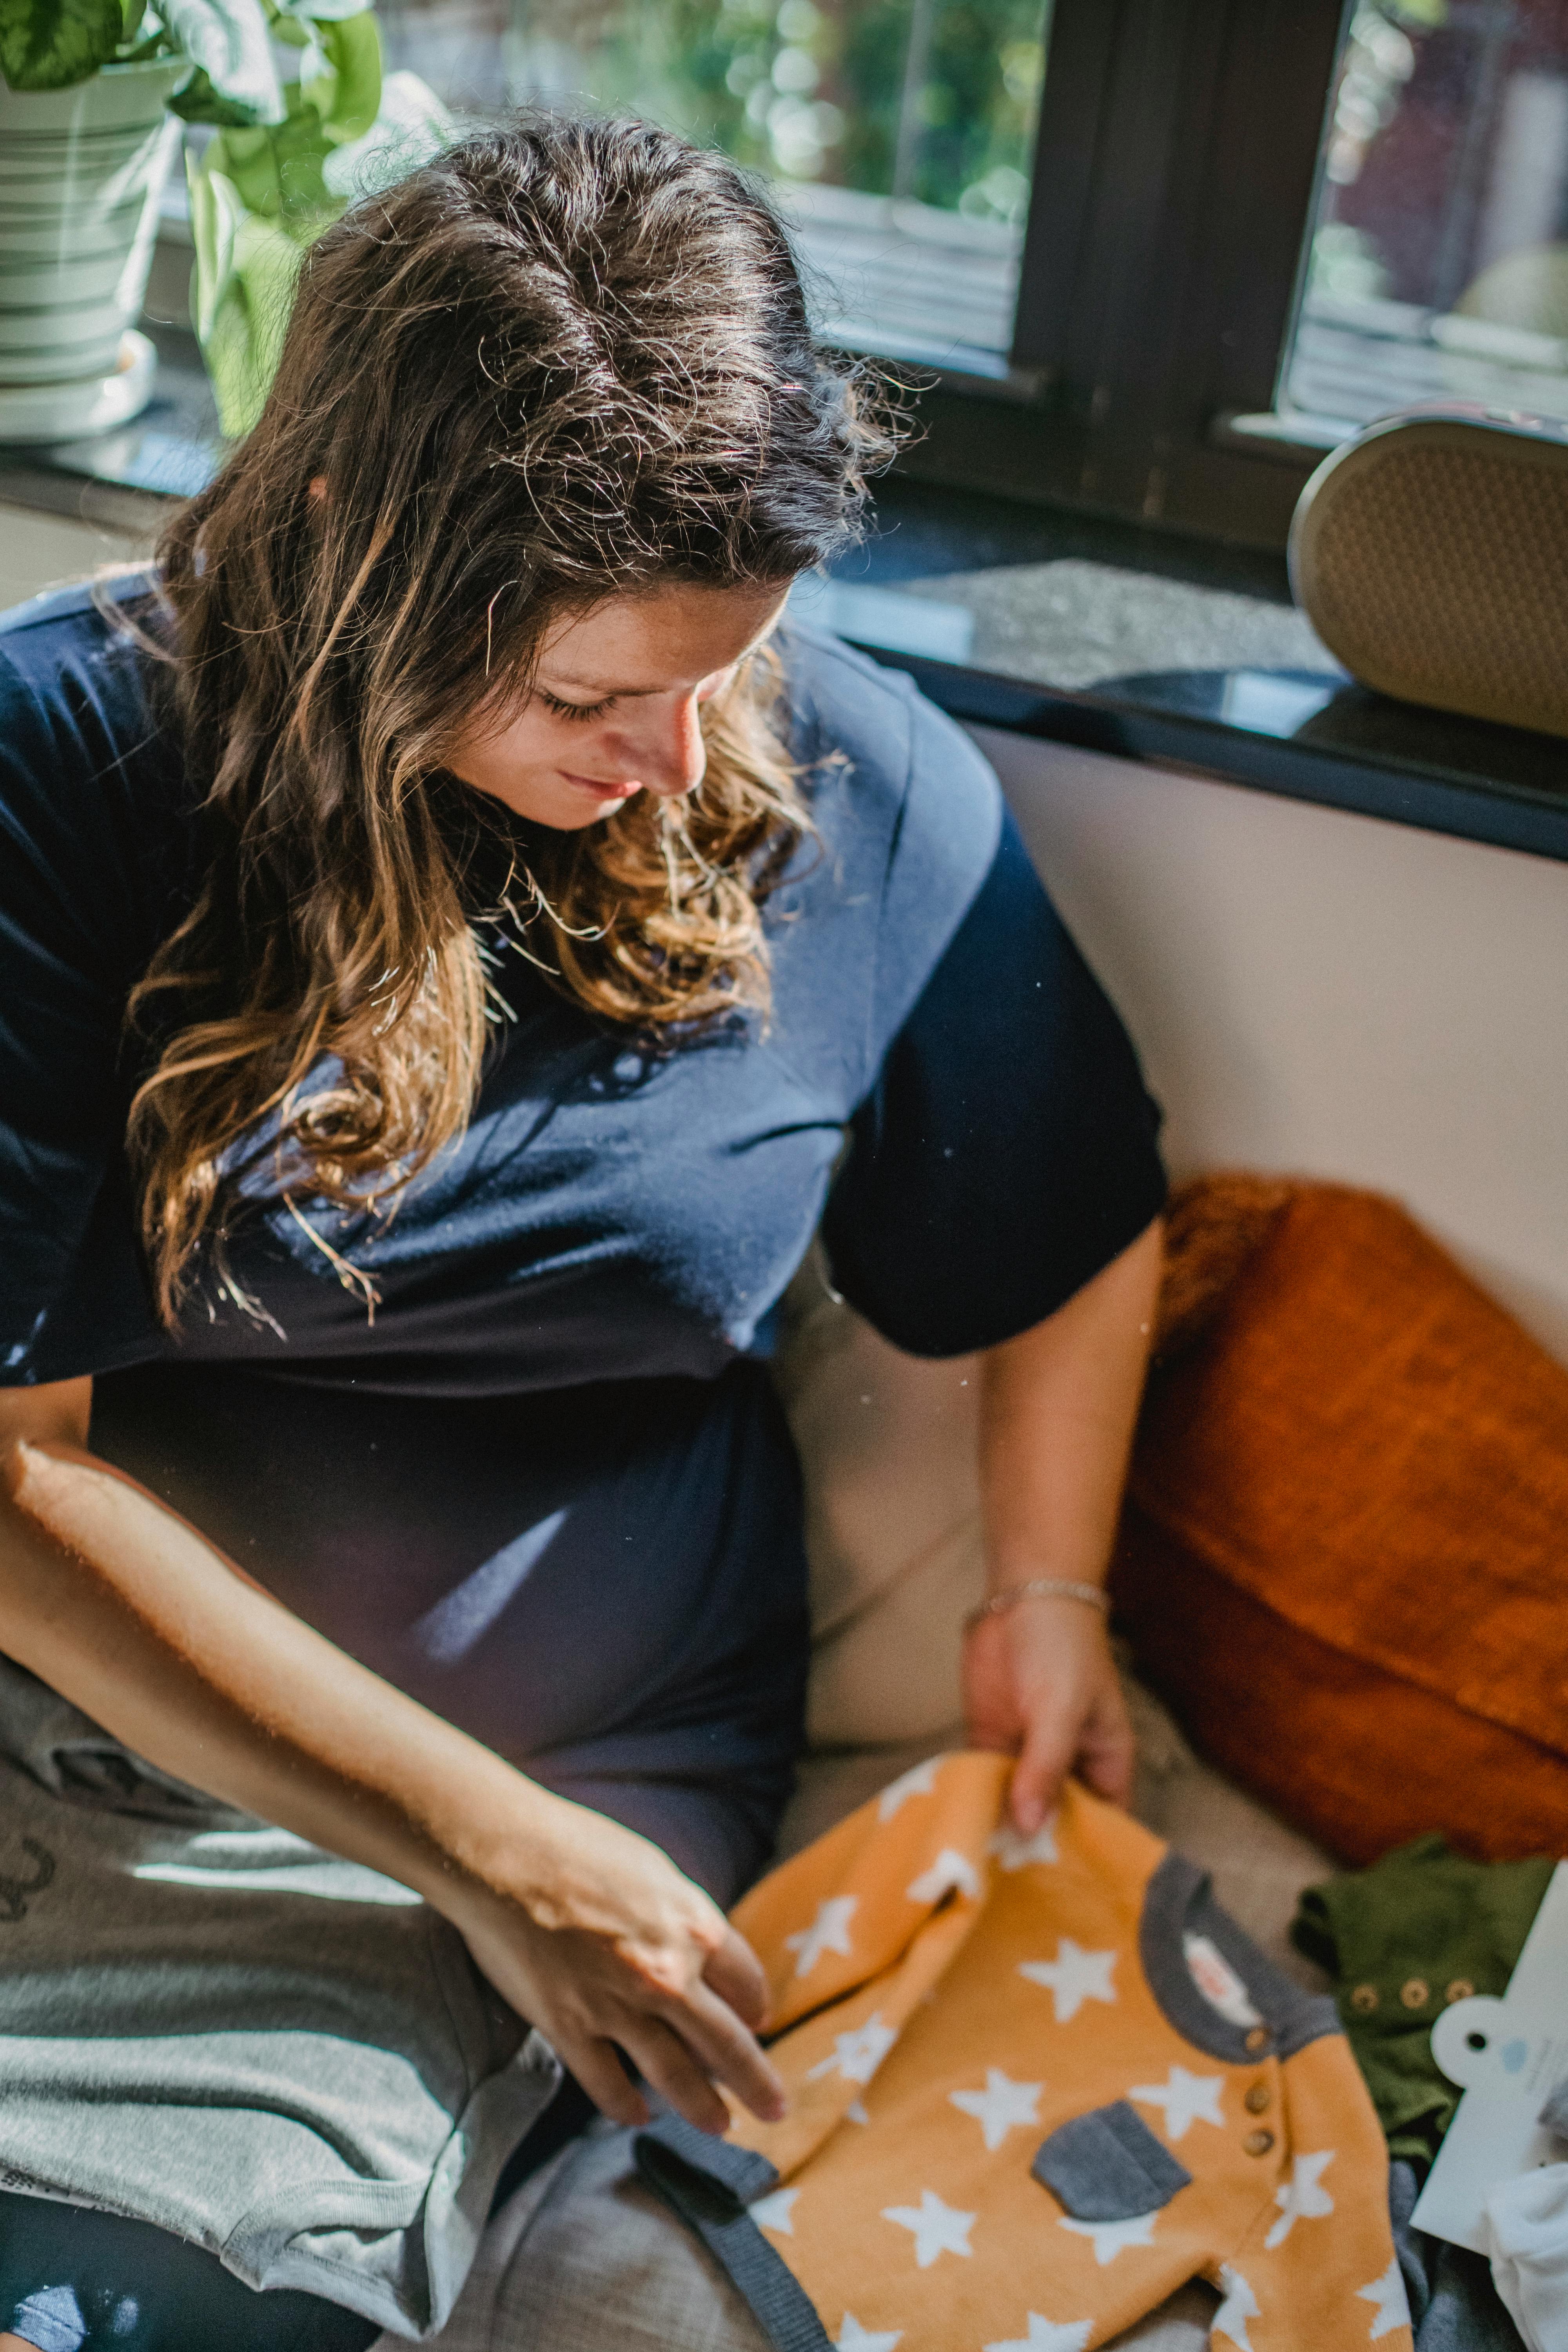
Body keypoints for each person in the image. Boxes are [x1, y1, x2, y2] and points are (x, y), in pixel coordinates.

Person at [0, 114, 1165, 2351]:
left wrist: (1046, 1590)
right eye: (583, 695)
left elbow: (1076, 1214)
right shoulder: (64, 777)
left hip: (559, 1804)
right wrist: (477, 1842)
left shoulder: (853, 786)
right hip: (92, 1731)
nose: (676, 751)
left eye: (722, 664)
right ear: (351, 551)